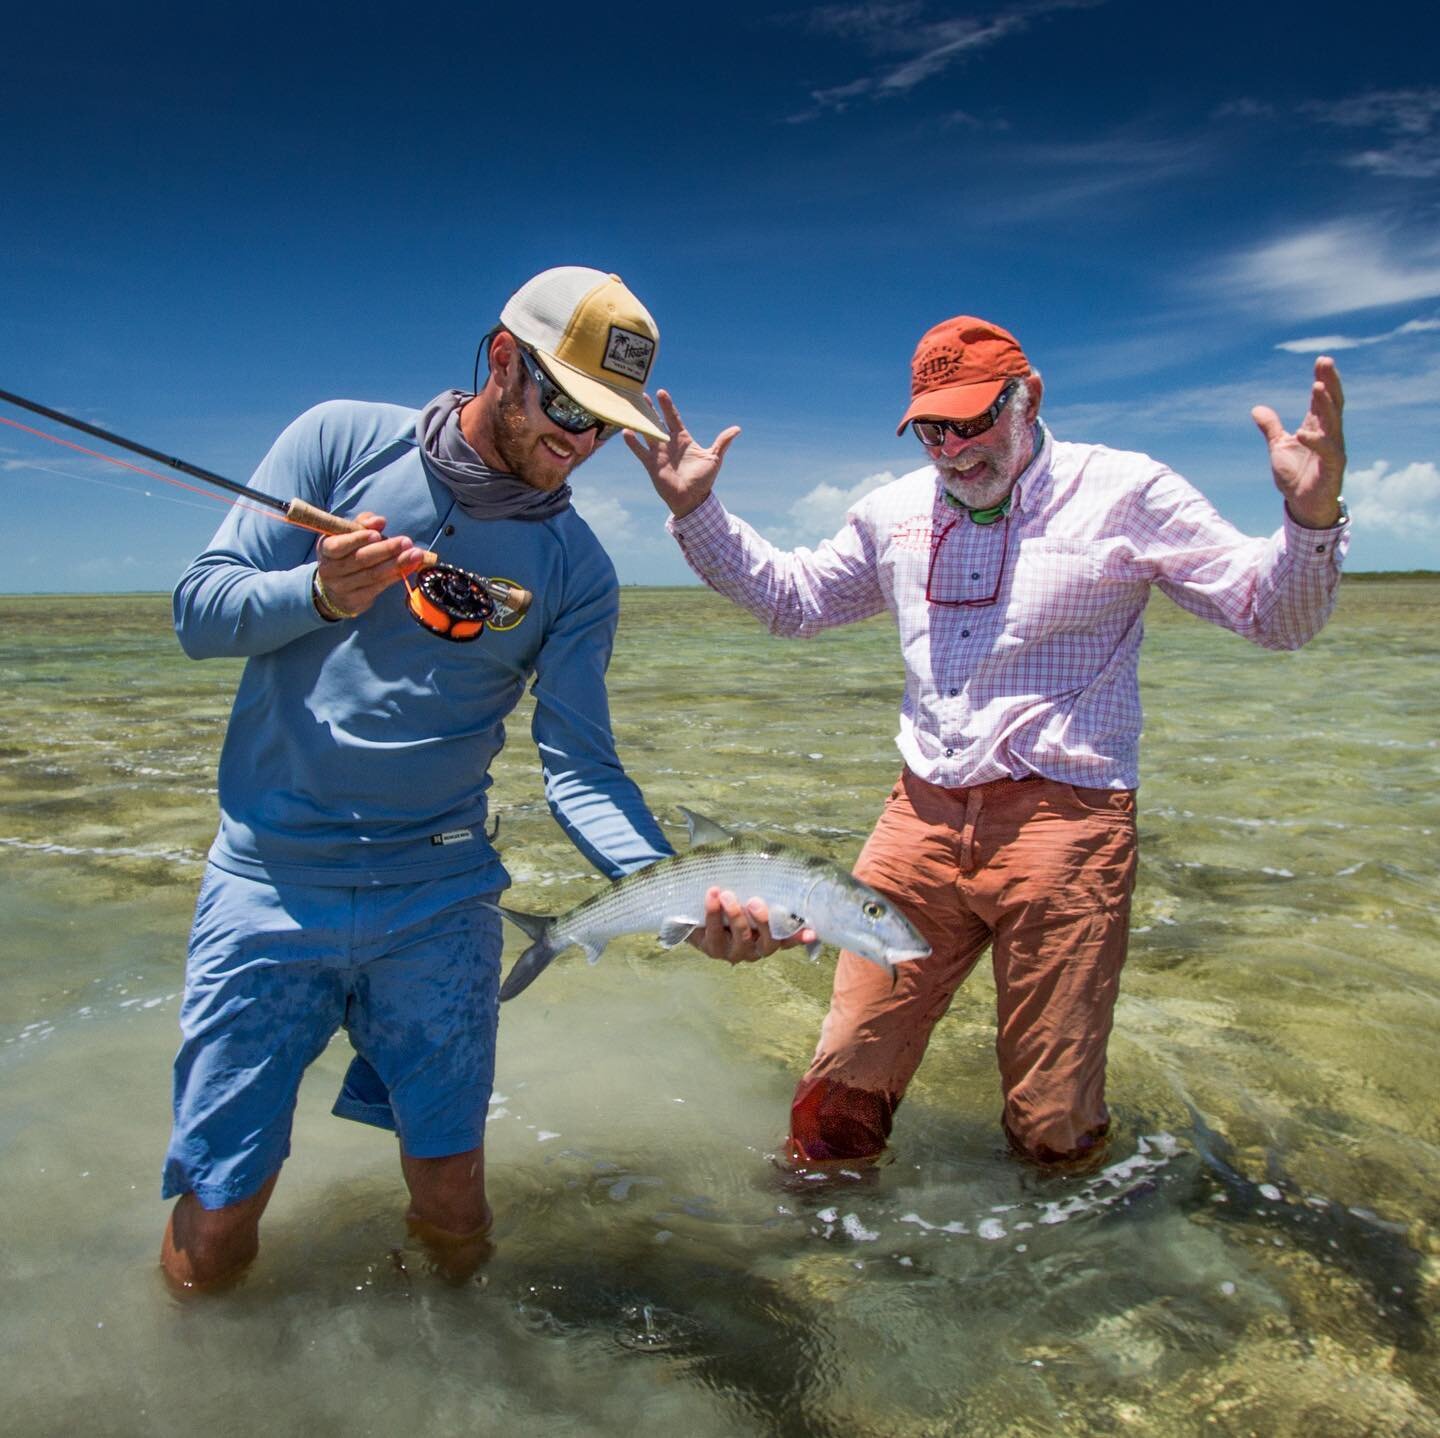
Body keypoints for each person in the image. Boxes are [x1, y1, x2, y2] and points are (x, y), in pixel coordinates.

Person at [161, 266, 803, 1291]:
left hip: (443, 895)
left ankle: (465, 1373)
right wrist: (315, 593)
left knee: (456, 1194)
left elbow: (581, 768)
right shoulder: (335, 440)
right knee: (221, 1201)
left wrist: (686, 897)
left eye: (603, 424)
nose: (579, 444)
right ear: (504, 359)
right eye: (565, 405)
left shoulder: (579, 569)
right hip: (267, 882)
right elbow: (200, 612)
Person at [627, 315, 1348, 1170]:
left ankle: (1062, 1269)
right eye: (933, 427)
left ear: (1028, 397)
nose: (954, 448)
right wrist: (697, 510)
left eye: (974, 421)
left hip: (1066, 829)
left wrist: (1311, 518)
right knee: (835, 1098)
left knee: (1052, 1122)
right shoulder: (893, 512)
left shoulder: (1125, 489)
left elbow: (1274, 618)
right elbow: (794, 601)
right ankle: (824, 1263)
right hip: (917, 823)